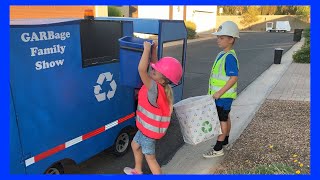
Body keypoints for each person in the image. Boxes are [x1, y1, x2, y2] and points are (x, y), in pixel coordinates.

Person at [124, 40, 183, 174]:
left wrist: (146, 49)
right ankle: (138, 170)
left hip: (148, 133)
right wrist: (154, 50)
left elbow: (141, 69)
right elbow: (156, 66)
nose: (152, 71)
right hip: (146, 129)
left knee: (150, 158)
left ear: (161, 80)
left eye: (155, 72)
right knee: (135, 145)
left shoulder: (153, 88)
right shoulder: (161, 86)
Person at [203, 21, 240, 158]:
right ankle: (225, 141)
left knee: (221, 121)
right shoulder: (222, 54)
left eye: (221, 37)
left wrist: (219, 93)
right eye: (218, 37)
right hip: (222, 97)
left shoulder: (229, 57)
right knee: (225, 117)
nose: (218, 40)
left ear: (231, 39)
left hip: (223, 97)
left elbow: (233, 78)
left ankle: (218, 148)